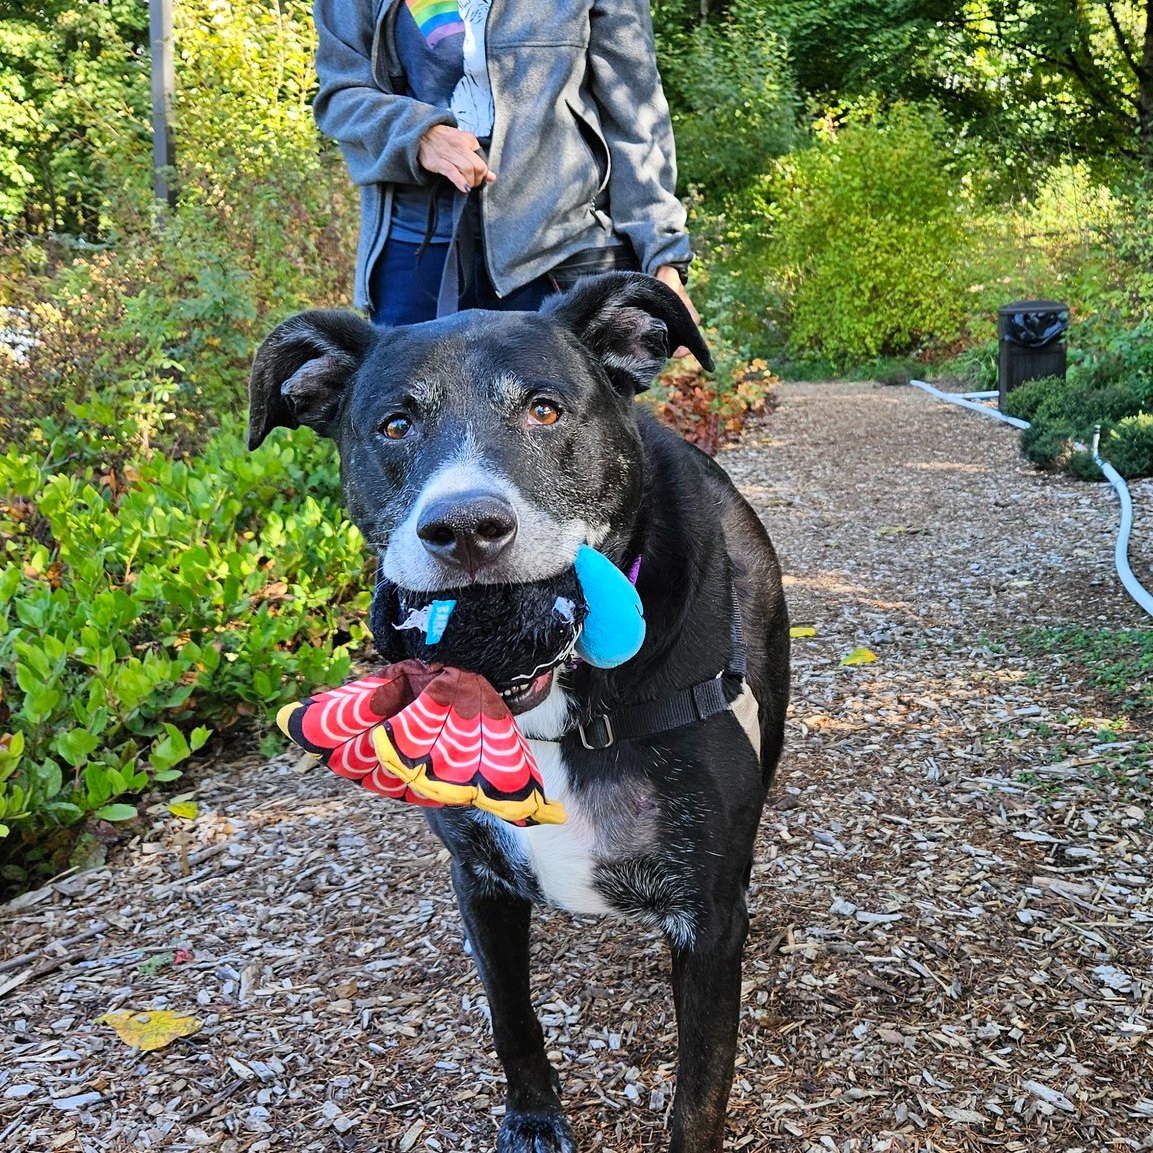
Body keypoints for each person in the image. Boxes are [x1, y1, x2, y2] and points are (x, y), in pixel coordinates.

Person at [312, 0, 700, 335]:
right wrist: (416, 134)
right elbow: (341, 93)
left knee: (579, 418)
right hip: (416, 250)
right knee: (415, 415)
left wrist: (663, 255)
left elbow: (635, 113)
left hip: (562, 248)